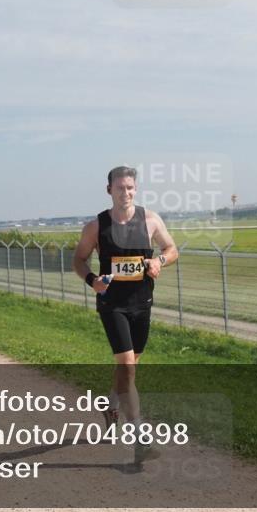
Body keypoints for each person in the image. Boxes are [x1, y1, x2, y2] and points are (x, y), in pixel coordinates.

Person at [72, 165, 178, 462]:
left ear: (136, 189)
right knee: (128, 367)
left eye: (130, 187)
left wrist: (160, 261)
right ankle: (140, 436)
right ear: (109, 190)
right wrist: (93, 280)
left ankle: (110, 406)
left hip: (142, 303)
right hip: (112, 305)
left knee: (129, 368)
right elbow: (78, 260)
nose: (126, 193)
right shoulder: (96, 226)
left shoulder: (150, 220)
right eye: (120, 188)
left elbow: (171, 249)